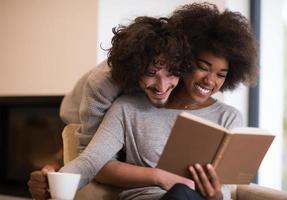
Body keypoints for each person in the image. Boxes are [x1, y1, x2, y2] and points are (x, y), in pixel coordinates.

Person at [56, 2, 258, 200]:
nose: (210, 80)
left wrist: (215, 196)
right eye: (203, 67)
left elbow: (226, 191)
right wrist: (53, 180)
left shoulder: (229, 117)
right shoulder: (127, 107)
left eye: (221, 75)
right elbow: (91, 161)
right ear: (185, 59)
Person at [28, 16, 192, 200]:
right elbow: (91, 159)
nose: (162, 87)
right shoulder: (102, 85)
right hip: (74, 111)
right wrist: (53, 183)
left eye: (171, 74)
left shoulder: (179, 77)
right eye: (150, 73)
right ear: (136, 69)